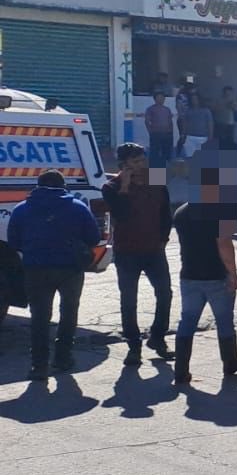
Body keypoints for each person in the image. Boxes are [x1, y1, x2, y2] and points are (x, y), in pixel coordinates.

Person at [7, 170, 100, 379]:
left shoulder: (21, 209)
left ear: (37, 187)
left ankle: (39, 365)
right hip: (70, 269)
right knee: (68, 313)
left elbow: (13, 242)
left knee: (39, 317)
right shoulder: (78, 207)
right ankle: (63, 357)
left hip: (35, 269)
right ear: (63, 186)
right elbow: (93, 237)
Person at [171, 167, 237, 386]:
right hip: (216, 275)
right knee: (224, 320)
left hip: (189, 275)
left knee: (187, 321)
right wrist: (233, 274)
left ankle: (180, 370)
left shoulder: (181, 212)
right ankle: (230, 362)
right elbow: (224, 244)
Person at [102, 143, 174, 367]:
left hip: (154, 250)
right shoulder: (110, 187)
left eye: (143, 160)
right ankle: (134, 346)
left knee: (165, 293)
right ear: (123, 165)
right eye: (135, 162)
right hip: (127, 252)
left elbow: (166, 213)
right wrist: (124, 187)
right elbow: (120, 215)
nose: (141, 165)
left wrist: (163, 239)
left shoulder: (156, 180)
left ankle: (158, 337)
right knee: (128, 300)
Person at [144, 93, 175, 168]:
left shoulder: (167, 109)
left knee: (167, 151)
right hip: (156, 133)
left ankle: (166, 167)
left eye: (162, 98)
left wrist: (171, 132)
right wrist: (150, 131)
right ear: (155, 99)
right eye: (159, 98)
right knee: (154, 152)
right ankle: (154, 168)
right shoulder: (150, 109)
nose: (161, 99)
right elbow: (147, 121)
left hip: (167, 134)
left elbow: (170, 121)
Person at [213, 86, 237, 150]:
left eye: (229, 92)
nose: (227, 94)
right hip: (220, 122)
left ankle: (230, 151)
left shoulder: (233, 100)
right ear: (223, 92)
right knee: (220, 138)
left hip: (230, 122)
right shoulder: (218, 99)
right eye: (226, 92)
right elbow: (214, 109)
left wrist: (232, 105)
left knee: (230, 138)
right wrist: (222, 106)